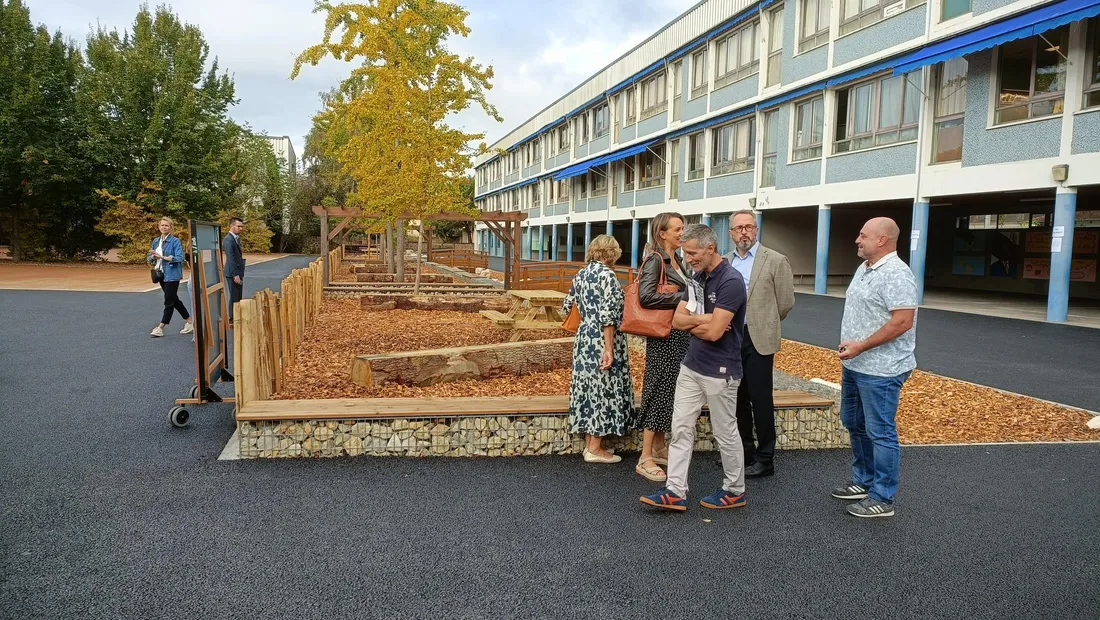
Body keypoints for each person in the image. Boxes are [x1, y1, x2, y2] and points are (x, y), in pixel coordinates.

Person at [641, 224, 747, 511]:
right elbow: (678, 322)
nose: (687, 259)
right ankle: (675, 490)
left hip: (721, 370)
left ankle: (735, 490)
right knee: (681, 428)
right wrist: (707, 320)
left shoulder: (731, 282)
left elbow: (715, 334)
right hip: (691, 365)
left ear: (710, 248)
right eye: (685, 253)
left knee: (725, 432)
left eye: (692, 253)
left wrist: (701, 323)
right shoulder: (697, 277)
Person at [832, 217, 917, 519]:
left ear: (882, 240)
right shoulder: (865, 268)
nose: (857, 239)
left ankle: (883, 497)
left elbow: (903, 322)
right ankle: (863, 481)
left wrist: (862, 345)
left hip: (882, 369)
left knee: (880, 431)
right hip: (856, 363)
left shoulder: (897, 274)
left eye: (863, 235)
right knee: (853, 422)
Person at [722, 210, 795, 478]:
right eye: (739, 228)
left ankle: (766, 458)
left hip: (759, 338)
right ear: (730, 233)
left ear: (756, 230)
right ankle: (745, 452)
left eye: (749, 227)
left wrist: (764, 322)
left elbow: (785, 303)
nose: (744, 232)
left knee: (761, 399)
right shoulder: (725, 262)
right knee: (737, 398)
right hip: (730, 338)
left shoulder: (775, 260)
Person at [561, 234, 636, 464]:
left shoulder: (581, 274)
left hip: (584, 339)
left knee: (588, 389)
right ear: (612, 253)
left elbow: (566, 307)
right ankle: (595, 448)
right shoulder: (608, 277)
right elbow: (608, 318)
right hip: (602, 340)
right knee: (602, 390)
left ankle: (590, 444)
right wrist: (609, 348)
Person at [634, 212, 691, 482]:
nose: (682, 233)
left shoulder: (677, 259)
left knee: (670, 392)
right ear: (662, 234)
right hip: (663, 337)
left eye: (683, 228)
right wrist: (684, 296)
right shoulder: (655, 260)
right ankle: (645, 457)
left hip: (678, 335)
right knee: (658, 391)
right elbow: (645, 297)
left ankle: (658, 447)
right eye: (677, 229)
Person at [147, 217, 193, 337]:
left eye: (166, 225)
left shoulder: (175, 241)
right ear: (158, 227)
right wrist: (153, 257)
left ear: (171, 227)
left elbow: (179, 258)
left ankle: (161, 327)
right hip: (161, 274)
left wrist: (162, 257)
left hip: (172, 275)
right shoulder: (156, 241)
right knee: (174, 300)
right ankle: (189, 321)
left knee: (169, 301)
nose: (164, 227)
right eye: (162, 225)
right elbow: (149, 258)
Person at [223, 217, 246, 321]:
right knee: (234, 296)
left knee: (238, 295)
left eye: (242, 226)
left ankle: (237, 316)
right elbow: (231, 258)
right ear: (232, 226)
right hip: (233, 273)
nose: (241, 228)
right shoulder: (228, 240)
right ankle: (232, 318)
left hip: (238, 272)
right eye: (239, 226)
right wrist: (235, 274)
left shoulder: (236, 238)